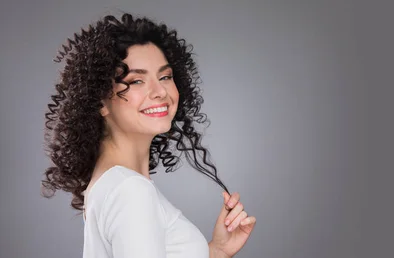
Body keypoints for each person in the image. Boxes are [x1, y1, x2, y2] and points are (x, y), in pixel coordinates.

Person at [41, 13, 256, 258]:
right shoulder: (131, 191)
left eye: (165, 76)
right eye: (136, 81)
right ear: (100, 101)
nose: (159, 91)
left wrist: (217, 252)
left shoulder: (112, 184)